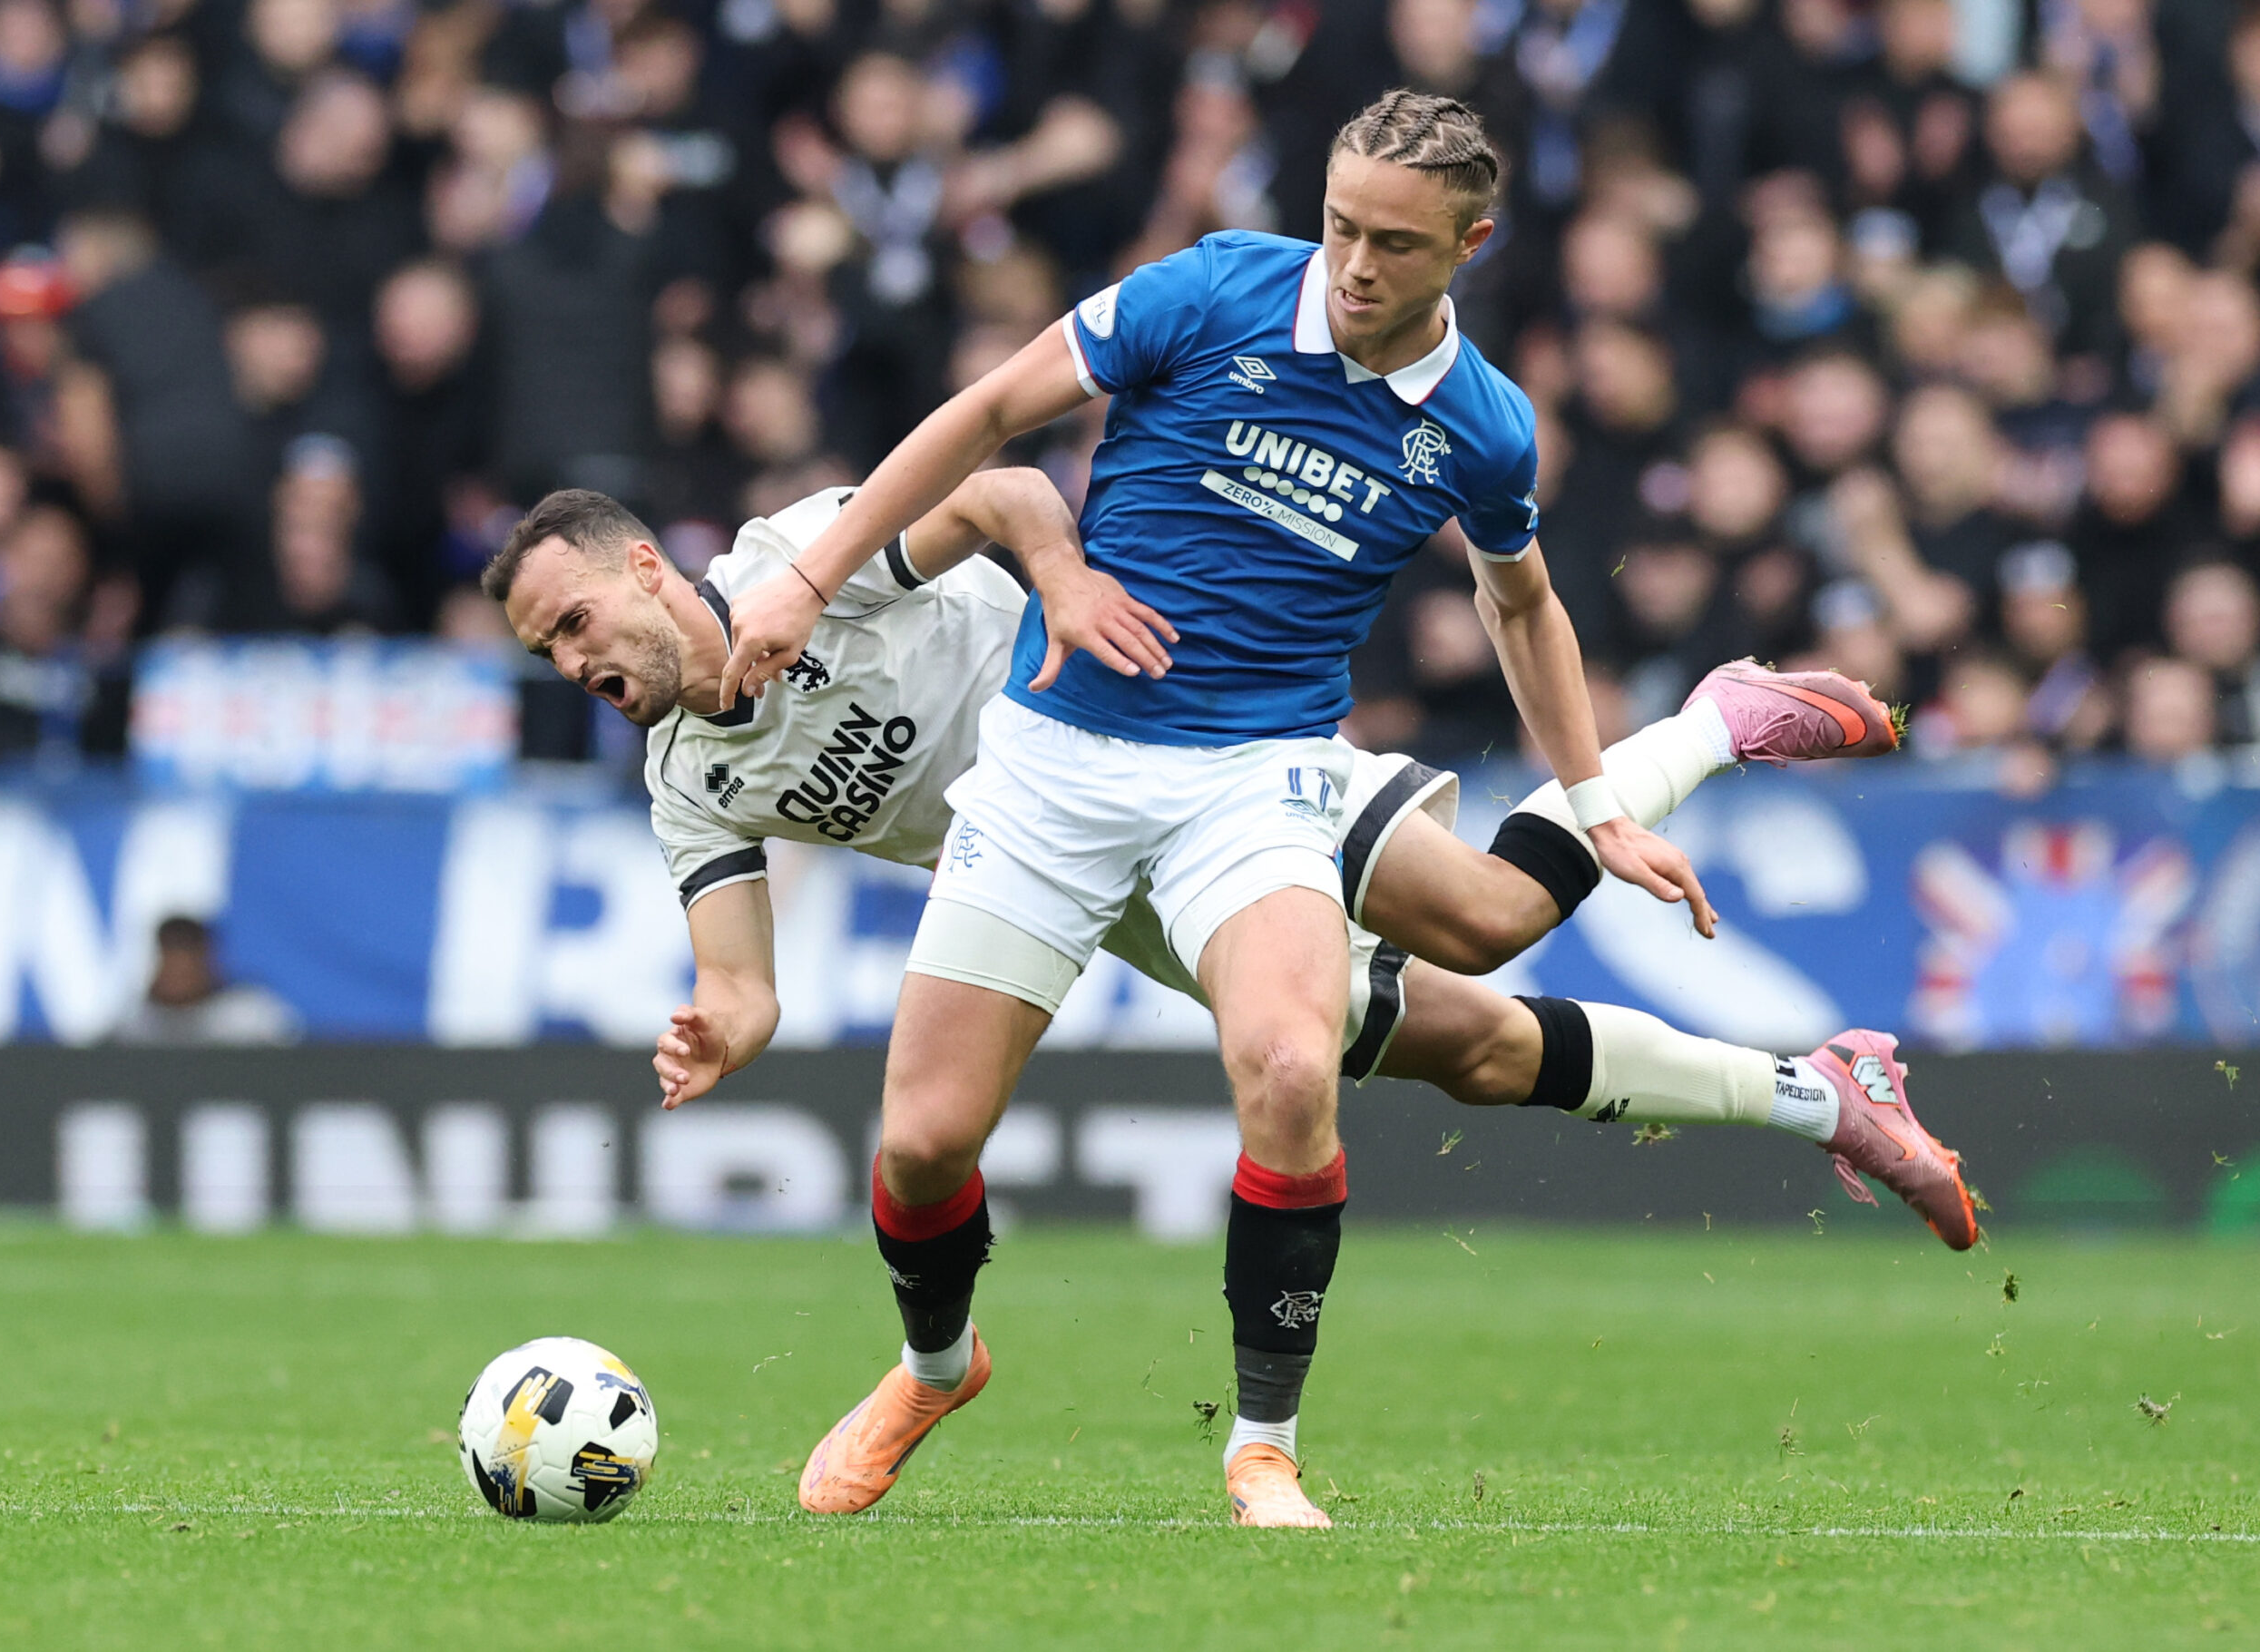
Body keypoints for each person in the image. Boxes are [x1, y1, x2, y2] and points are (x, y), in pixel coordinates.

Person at [699, 92, 1959, 1529]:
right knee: (925, 1144)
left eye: (1396, 244)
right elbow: (994, 417)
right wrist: (808, 579)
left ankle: (1263, 1448)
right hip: (1057, 770)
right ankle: (933, 1365)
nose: (1355, 264)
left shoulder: (1480, 424)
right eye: (1341, 225)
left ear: (1469, 246)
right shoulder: (1219, 284)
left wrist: (1600, 800)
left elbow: (1522, 603)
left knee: (1300, 1065)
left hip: (1258, 779)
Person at [112, 915, 300, 1045]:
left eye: (184, 966)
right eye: (168, 960)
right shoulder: (135, 1022)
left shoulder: (250, 1017)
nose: (175, 975)